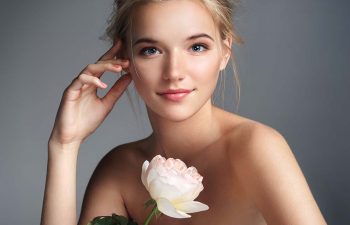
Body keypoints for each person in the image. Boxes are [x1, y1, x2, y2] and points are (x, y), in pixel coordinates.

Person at [40, 0, 327, 224]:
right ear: (123, 58)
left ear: (224, 53)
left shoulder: (256, 148)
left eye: (197, 47)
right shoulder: (118, 170)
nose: (174, 73)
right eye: (151, 50)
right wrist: (65, 146)